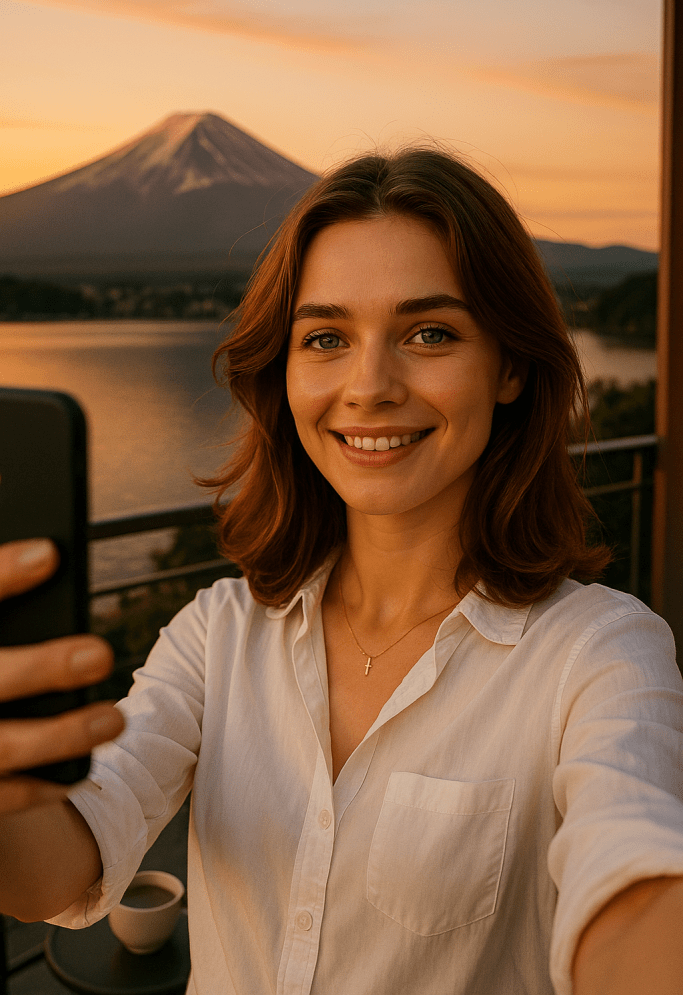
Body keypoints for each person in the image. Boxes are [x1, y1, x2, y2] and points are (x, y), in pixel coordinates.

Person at [1, 147, 682, 995]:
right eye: (325, 337)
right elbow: (54, 875)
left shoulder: (599, 655)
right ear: (282, 372)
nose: (368, 386)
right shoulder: (218, 634)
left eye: (429, 333)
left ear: (509, 366)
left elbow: (631, 861)